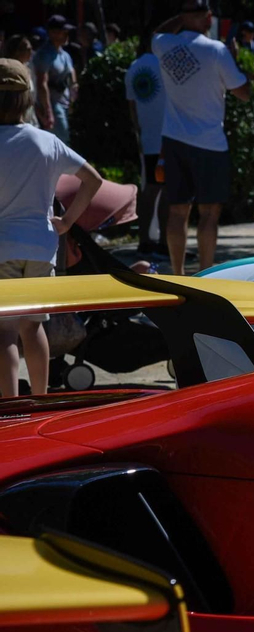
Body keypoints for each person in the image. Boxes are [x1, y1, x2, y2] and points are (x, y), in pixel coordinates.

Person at [0, 57, 103, 396]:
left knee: (4, 333)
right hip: (41, 247)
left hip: (2, 247)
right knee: (33, 329)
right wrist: (68, 221)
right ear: (27, 97)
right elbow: (93, 180)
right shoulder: (46, 141)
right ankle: (40, 399)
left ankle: (10, 407)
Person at [154, 0, 254, 274]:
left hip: (174, 139)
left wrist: (181, 17)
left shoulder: (163, 44)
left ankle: (177, 273)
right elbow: (243, 93)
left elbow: (156, 33)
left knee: (177, 211)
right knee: (209, 213)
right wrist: (234, 60)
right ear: (208, 17)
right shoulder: (217, 50)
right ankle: (205, 272)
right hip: (210, 143)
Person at [125, 36, 167, 259]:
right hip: (167, 137)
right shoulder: (164, 65)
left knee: (149, 189)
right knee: (166, 191)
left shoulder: (133, 68)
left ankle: (144, 241)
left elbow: (132, 108)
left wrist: (139, 135)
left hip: (147, 139)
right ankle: (164, 243)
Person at [31, 15, 73, 142]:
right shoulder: (44, 54)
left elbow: (71, 72)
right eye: (63, 31)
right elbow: (41, 83)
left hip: (65, 101)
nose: (67, 35)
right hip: (53, 104)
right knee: (61, 140)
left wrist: (74, 91)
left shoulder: (64, 54)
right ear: (53, 33)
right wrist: (48, 111)